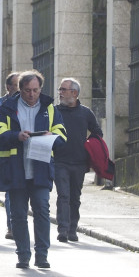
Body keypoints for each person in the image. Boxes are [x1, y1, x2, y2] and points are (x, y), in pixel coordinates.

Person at [0, 70, 66, 269]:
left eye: (35, 90)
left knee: (42, 210)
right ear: (20, 89)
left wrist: (52, 136)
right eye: (27, 91)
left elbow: (62, 135)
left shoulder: (49, 108)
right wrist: (16, 136)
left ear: (41, 89)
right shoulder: (6, 108)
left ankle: (42, 255)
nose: (32, 94)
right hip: (15, 169)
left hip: (40, 169)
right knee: (18, 214)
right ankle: (23, 255)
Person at [54, 77, 102, 243]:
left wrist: (90, 147)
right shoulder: (54, 111)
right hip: (59, 161)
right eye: (60, 89)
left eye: (63, 89)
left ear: (74, 93)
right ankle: (63, 229)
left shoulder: (85, 112)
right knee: (63, 196)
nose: (60, 93)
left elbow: (97, 132)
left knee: (75, 197)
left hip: (80, 163)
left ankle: (73, 228)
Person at [0, 72, 20, 239]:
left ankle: (19, 224)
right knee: (10, 194)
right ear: (8, 87)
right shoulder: (0, 105)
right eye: (18, 85)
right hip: (7, 156)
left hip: (27, 157)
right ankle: (12, 226)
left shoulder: (32, 105)